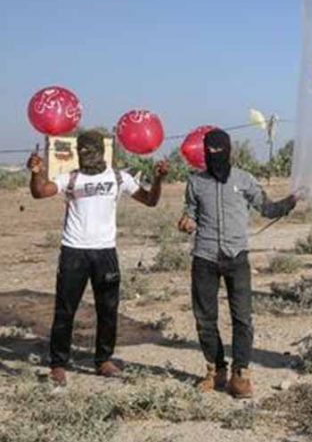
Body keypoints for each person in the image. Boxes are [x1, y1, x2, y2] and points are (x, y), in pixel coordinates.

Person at [27, 131, 167, 386]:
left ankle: (103, 360)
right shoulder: (70, 177)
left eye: (91, 150)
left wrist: (157, 179)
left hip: (105, 252)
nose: (86, 155)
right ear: (77, 152)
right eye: (82, 150)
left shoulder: (118, 178)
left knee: (108, 309)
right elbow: (40, 192)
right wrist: (36, 172)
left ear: (102, 151)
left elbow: (150, 200)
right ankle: (58, 364)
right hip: (73, 251)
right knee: (65, 310)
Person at [177, 129, 298, 398]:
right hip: (204, 258)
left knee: (242, 318)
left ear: (229, 151)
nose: (215, 155)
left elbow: (267, 209)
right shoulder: (196, 182)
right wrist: (187, 222)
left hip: (237, 259)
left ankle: (241, 375)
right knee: (204, 319)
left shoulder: (245, 180)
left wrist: (290, 202)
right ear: (205, 152)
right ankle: (215, 371)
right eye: (210, 151)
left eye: (220, 150)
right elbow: (191, 213)